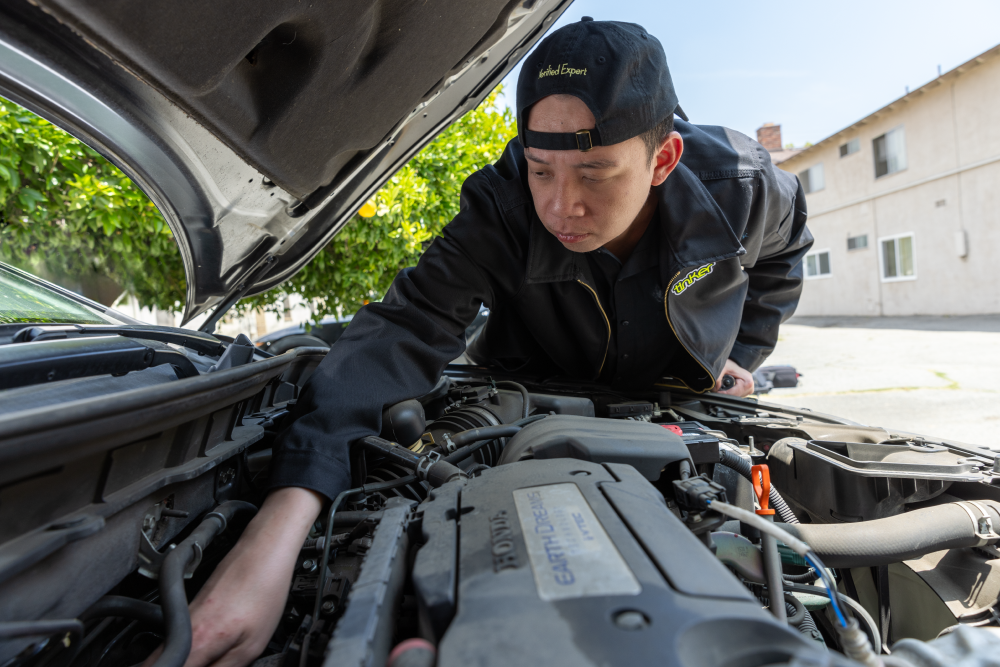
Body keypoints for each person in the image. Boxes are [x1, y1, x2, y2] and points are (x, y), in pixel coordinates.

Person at [162, 18, 812, 667]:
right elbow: (408, 324)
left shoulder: (742, 186)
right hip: (529, 392)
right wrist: (271, 539)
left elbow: (786, 256)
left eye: (594, 172)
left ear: (662, 159)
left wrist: (742, 352)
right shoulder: (502, 204)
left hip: (675, 400)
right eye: (541, 169)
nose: (561, 207)